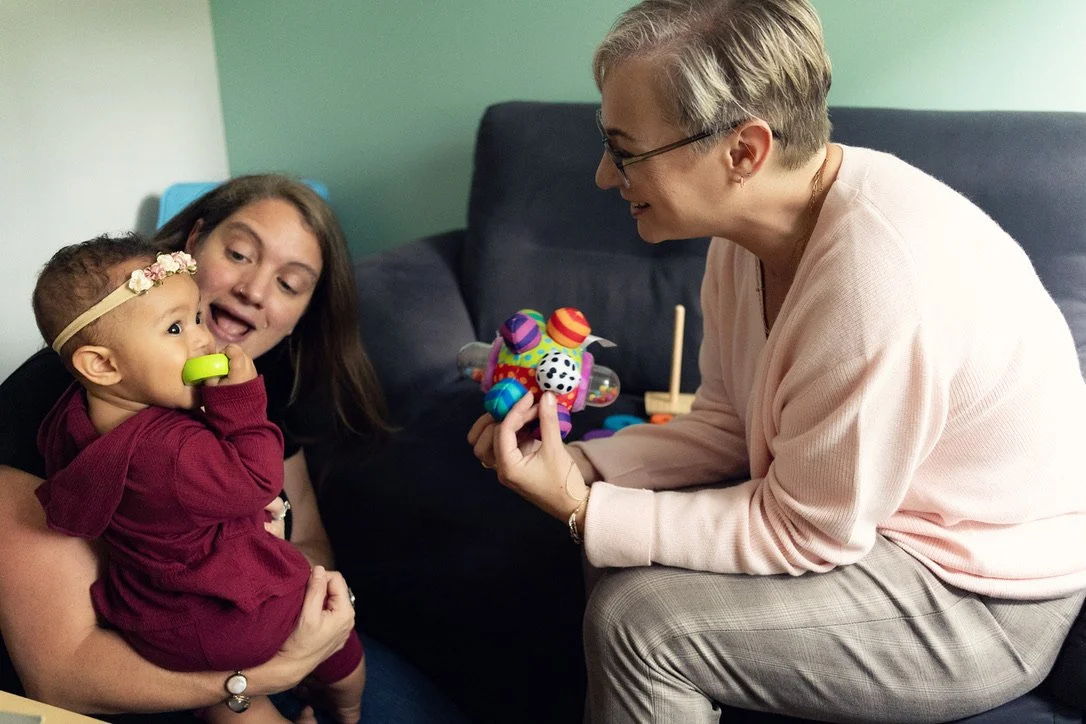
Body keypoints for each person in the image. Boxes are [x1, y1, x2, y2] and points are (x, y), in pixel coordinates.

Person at [467, 1, 1086, 722]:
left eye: (626, 150)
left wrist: (582, 510)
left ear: (743, 152)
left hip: (978, 593)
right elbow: (729, 423)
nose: (606, 176)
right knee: (611, 553)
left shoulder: (874, 282)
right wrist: (584, 465)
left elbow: (808, 530)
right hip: (879, 528)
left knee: (642, 624)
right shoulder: (750, 236)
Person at [0, 175, 464, 723]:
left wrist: (278, 590)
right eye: (240, 253)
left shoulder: (253, 377)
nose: (256, 291)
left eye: (290, 285)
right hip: (138, 671)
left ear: (300, 316)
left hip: (257, 620)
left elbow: (307, 535)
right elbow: (62, 674)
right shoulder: (52, 404)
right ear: (191, 246)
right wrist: (264, 676)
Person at [31, 237, 365, 724]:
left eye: (195, 318)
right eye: (174, 327)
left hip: (155, 621)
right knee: (343, 645)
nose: (203, 340)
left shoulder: (70, 421)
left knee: (229, 706)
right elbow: (259, 479)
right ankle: (346, 710)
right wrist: (244, 401)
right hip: (233, 615)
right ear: (102, 364)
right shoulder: (171, 450)